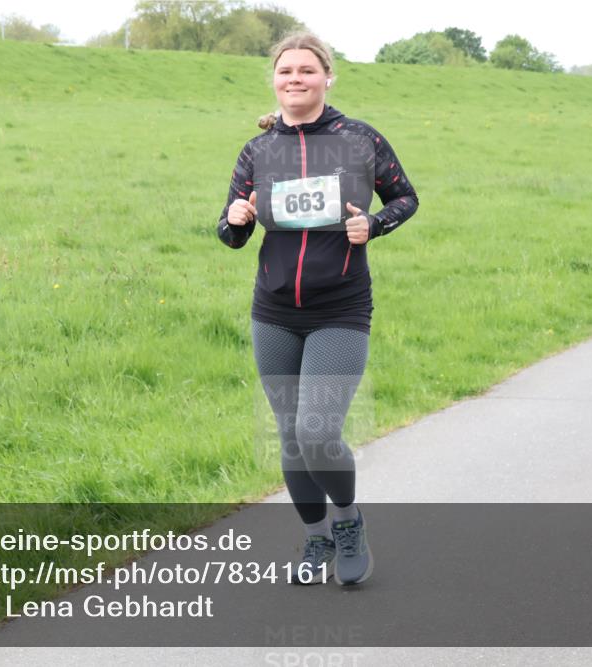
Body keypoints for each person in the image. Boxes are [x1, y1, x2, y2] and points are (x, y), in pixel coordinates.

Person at [216, 31, 419, 585]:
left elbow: (405, 198)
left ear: (327, 76)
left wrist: (373, 224)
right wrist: (234, 220)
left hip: (340, 308)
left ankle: (348, 521)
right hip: (274, 311)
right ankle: (315, 537)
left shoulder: (360, 139)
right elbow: (231, 232)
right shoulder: (257, 151)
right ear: (274, 81)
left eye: (307, 70)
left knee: (316, 432)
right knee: (289, 436)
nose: (295, 79)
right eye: (286, 71)